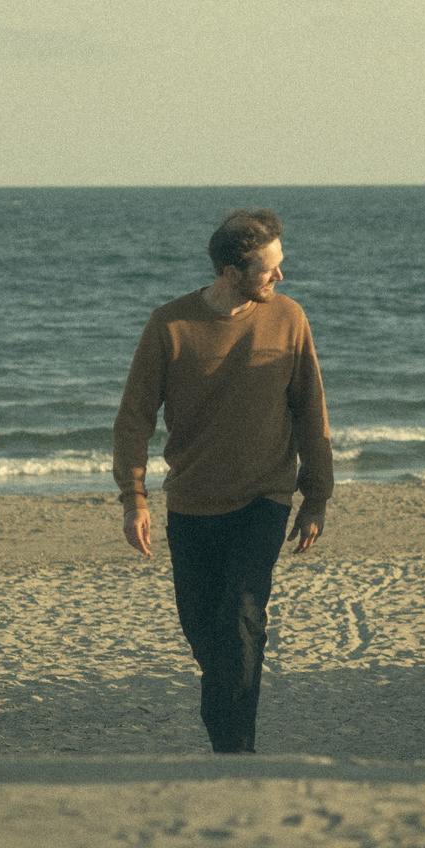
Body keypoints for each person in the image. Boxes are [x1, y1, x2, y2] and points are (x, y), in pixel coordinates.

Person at [113, 208, 334, 754]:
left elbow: (311, 411)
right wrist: (133, 500)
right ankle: (228, 743)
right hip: (191, 505)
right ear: (232, 272)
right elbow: (134, 418)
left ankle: (236, 754)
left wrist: (316, 497)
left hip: (264, 498)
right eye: (269, 268)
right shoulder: (170, 325)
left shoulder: (289, 318)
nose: (280, 277)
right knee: (205, 634)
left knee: (242, 619)